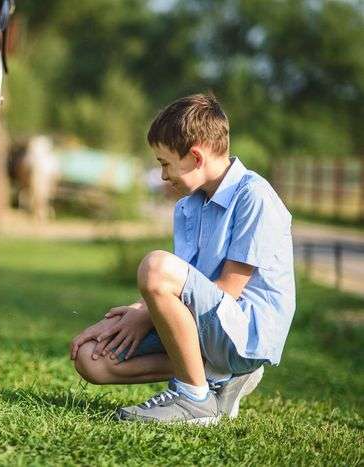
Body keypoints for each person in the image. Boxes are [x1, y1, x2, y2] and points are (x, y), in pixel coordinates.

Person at [70, 94, 295, 425]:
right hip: (207, 325)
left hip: (244, 336)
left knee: (156, 266)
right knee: (92, 357)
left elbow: (228, 289)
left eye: (164, 163)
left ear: (194, 157)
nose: (162, 176)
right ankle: (217, 380)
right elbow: (183, 289)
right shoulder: (188, 207)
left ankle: (193, 399)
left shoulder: (254, 196)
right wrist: (133, 314)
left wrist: (146, 313)